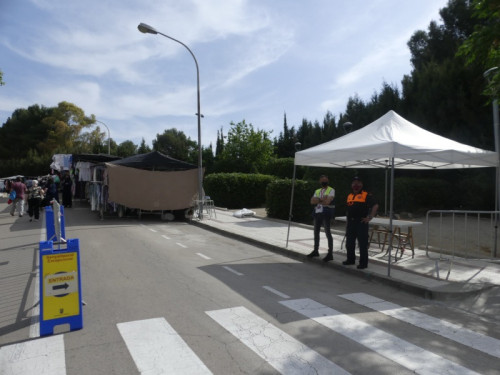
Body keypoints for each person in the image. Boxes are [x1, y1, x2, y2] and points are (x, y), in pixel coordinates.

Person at [343, 176, 379, 269]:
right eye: (354, 183)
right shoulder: (349, 195)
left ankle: (363, 263)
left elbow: (375, 205)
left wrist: (370, 217)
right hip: (351, 223)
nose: (356, 185)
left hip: (361, 223)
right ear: (351, 185)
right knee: (349, 243)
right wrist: (347, 222)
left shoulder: (366, 195)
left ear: (361, 184)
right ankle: (350, 260)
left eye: (358, 183)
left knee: (362, 244)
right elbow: (348, 210)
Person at [307, 175, 335, 262]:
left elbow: (328, 201)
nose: (324, 181)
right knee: (316, 233)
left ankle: (330, 253)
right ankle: (316, 250)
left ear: (328, 181)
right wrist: (322, 200)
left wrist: (318, 200)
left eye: (325, 180)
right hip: (317, 213)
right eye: (322, 180)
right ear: (320, 181)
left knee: (327, 233)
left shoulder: (331, 190)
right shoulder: (317, 190)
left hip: (326, 213)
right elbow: (312, 201)